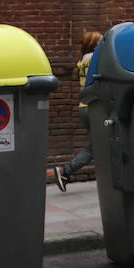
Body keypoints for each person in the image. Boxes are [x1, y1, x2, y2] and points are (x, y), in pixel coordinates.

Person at [54, 30, 102, 191]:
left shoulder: (83, 60)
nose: (104, 45)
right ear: (94, 45)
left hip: (85, 106)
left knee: (100, 144)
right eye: (101, 42)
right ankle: (65, 171)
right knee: (96, 146)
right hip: (94, 107)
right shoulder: (94, 59)